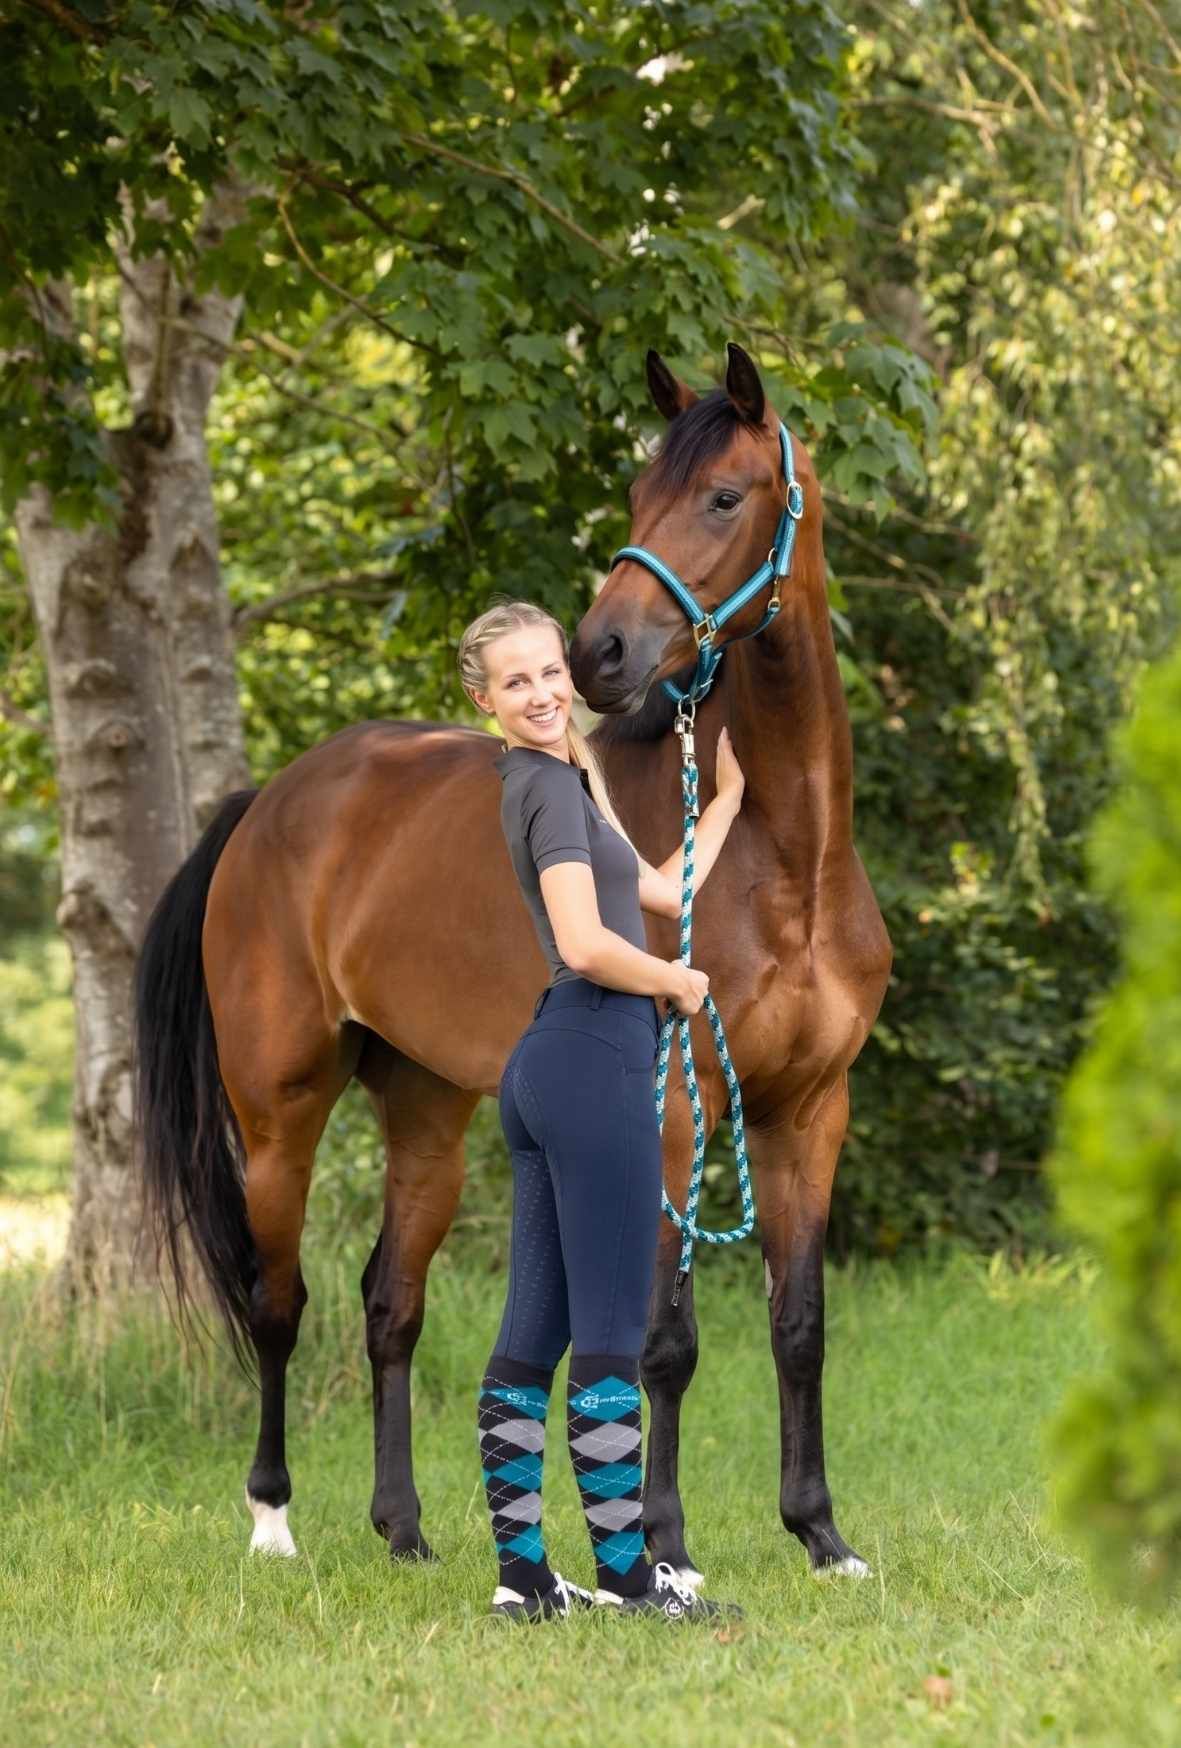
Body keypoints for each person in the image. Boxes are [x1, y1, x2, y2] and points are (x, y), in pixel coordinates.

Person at [458, 596, 746, 1623]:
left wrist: (721, 804)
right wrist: (675, 986)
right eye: (515, 681)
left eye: (548, 672)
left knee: (531, 1330)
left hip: (551, 1064)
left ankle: (524, 1578)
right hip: (590, 1062)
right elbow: (584, 941)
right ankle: (632, 1580)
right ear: (484, 698)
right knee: (613, 1331)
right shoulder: (540, 788)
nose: (539, 693)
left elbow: (661, 893)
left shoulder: (571, 773)